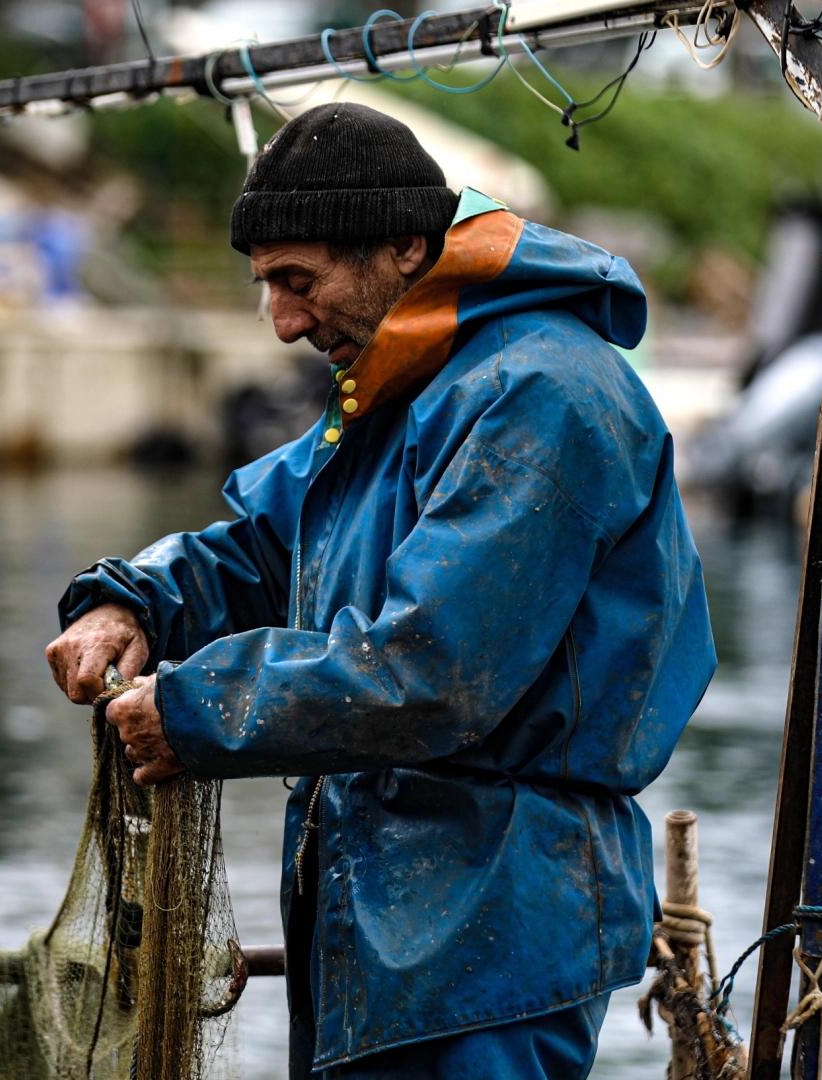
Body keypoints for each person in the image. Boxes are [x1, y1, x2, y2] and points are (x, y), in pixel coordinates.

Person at [48, 103, 715, 1080]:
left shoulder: (540, 392)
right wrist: (128, 602)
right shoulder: (406, 382)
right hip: (386, 925)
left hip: (492, 927)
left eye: (297, 281)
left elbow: (432, 671)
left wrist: (193, 711)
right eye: (267, 287)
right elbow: (263, 547)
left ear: (404, 248)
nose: (281, 321)